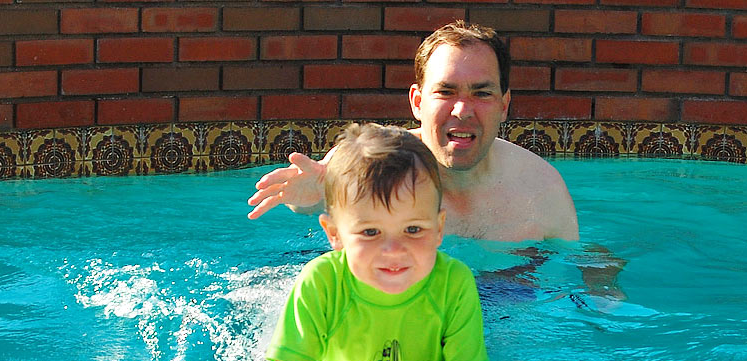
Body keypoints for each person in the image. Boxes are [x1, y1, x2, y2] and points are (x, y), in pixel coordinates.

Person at [247, 20, 579, 243]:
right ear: (417, 102)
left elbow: (586, 264)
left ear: (504, 105)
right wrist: (315, 199)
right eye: (446, 92)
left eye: (481, 93)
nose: (462, 110)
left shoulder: (540, 189)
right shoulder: (371, 162)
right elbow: (322, 201)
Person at [266, 123, 491, 361]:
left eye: (413, 229)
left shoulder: (454, 282)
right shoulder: (321, 281)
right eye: (371, 231)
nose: (394, 250)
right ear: (334, 234)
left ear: (439, 228)